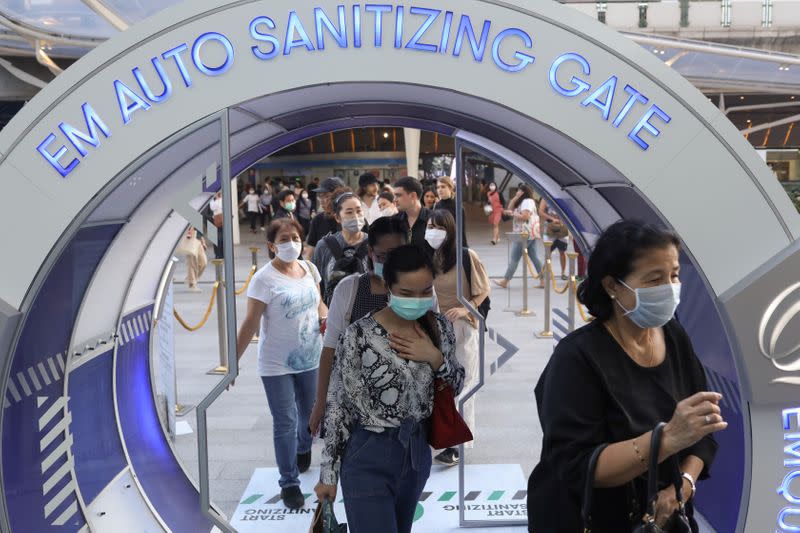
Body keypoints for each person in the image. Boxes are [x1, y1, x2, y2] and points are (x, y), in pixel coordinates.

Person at [527, 220, 723, 533]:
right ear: (612, 286)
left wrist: (682, 486)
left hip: (664, 517)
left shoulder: (673, 336)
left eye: (673, 276)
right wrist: (667, 439)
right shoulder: (576, 359)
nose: (669, 288)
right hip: (592, 519)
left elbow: (701, 432)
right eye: (654, 279)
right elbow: (577, 466)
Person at [315, 244, 464, 533]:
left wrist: (435, 358)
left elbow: (456, 384)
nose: (417, 299)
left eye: (425, 291)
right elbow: (338, 405)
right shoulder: (358, 335)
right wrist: (328, 473)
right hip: (367, 452)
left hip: (417, 452)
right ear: (388, 286)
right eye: (407, 293)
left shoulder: (440, 329)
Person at [235, 218, 327, 510]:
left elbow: (319, 303)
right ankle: (289, 482)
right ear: (272, 246)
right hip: (276, 363)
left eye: (296, 237)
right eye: (285, 239)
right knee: (285, 420)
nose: (292, 243)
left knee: (310, 414)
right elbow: (250, 322)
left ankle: (302, 447)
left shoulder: (310, 269)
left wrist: (325, 318)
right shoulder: (264, 279)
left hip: (311, 356)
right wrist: (231, 363)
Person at [309, 216, 410, 434]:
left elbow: (436, 348)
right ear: (371, 253)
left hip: (407, 410)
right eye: (384, 255)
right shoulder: (350, 289)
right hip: (355, 409)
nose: (391, 262)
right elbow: (329, 349)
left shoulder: (421, 294)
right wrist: (320, 403)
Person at [425, 209, 490, 467]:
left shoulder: (466, 256)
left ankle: (458, 445)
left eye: (438, 226)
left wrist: (465, 308)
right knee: (442, 387)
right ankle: (447, 436)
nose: (432, 231)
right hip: (438, 330)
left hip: (463, 328)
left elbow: (483, 289)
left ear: (450, 230)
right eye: (430, 225)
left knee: (464, 386)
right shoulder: (433, 258)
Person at [311, 192, 369, 295]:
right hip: (333, 308)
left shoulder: (374, 243)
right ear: (337, 217)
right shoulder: (324, 246)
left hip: (370, 309)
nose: (355, 216)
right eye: (349, 212)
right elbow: (315, 283)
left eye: (359, 211)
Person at [493, 185, 544, 290]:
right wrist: (515, 198)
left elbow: (525, 216)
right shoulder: (523, 201)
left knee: (514, 258)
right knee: (534, 257)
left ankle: (505, 280)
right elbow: (510, 208)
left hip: (524, 234)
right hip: (528, 233)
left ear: (524, 191)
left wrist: (513, 214)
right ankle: (543, 280)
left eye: (520, 190)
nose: (518, 191)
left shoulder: (527, 201)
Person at [393, 176, 432, 258]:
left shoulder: (433, 219)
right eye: (394, 196)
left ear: (413, 195)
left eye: (398, 195)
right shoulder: (394, 221)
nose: (395, 200)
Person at [306, 177, 346, 257]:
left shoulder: (353, 219)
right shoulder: (317, 220)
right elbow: (310, 253)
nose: (321, 200)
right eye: (320, 196)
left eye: (326, 196)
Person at [539, 198, 569, 280]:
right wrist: (552, 219)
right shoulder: (545, 198)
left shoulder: (561, 197)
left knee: (562, 252)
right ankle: (545, 272)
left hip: (562, 226)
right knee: (548, 252)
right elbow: (541, 212)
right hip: (549, 227)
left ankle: (563, 273)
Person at [434, 176, 467, 247]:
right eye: (438, 187)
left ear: (450, 188)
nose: (440, 190)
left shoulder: (457, 206)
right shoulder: (437, 205)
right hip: (440, 245)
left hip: (455, 245)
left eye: (443, 187)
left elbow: (461, 231)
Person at [175, 227, 208, 292]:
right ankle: (192, 284)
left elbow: (199, 231)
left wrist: (203, 241)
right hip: (191, 239)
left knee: (204, 263)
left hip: (198, 241)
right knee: (192, 263)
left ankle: (190, 279)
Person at [208, 191, 224, 259]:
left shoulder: (219, 200)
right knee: (217, 238)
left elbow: (213, 207)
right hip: (212, 220)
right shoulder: (217, 200)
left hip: (217, 221)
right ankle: (218, 254)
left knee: (219, 238)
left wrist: (215, 198)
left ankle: (219, 254)